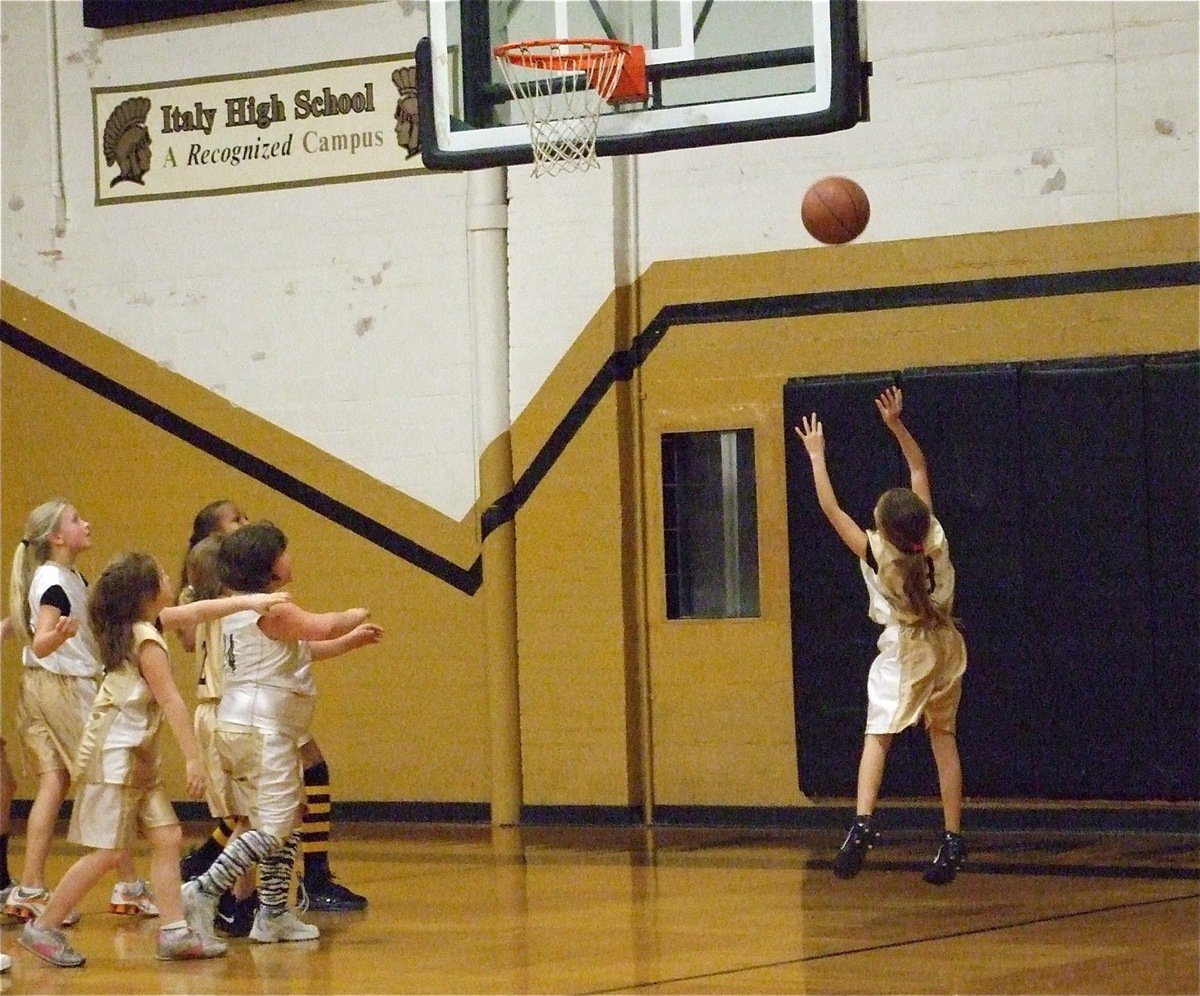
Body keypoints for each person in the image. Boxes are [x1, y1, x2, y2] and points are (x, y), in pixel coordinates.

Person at [17, 552, 289, 967]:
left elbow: (199, 609)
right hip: (116, 756)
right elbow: (171, 700)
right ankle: (44, 927)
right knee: (107, 853)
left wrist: (248, 602)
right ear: (147, 593)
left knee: (167, 838)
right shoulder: (144, 641)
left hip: (136, 755)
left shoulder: (146, 625)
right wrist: (194, 759)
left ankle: (175, 931)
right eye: (163, 574)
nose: (169, 577)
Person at [795, 387, 968, 885]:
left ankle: (863, 823)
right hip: (949, 645)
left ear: (885, 531)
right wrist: (897, 424)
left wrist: (816, 455)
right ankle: (953, 838)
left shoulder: (879, 554)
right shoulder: (931, 535)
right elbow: (918, 468)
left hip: (910, 647)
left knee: (879, 734)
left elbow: (830, 510)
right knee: (943, 739)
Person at [183, 521, 381, 944]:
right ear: (268, 565)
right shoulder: (273, 610)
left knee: (286, 820)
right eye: (284, 551)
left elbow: (305, 649)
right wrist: (352, 616)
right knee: (271, 829)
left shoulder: (244, 607)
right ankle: (203, 889)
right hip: (262, 731)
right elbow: (320, 627)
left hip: (251, 729)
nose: (291, 557)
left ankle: (273, 913)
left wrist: (351, 642)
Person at [5, 500, 156, 924]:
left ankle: (31, 888)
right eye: (75, 520)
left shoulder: (59, 577)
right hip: (66, 688)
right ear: (56, 537)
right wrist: (52, 640)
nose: (85, 523)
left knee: (53, 783)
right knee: (109, 782)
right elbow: (40, 642)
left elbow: (32, 632)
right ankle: (127, 884)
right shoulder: (54, 581)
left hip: (39, 687)